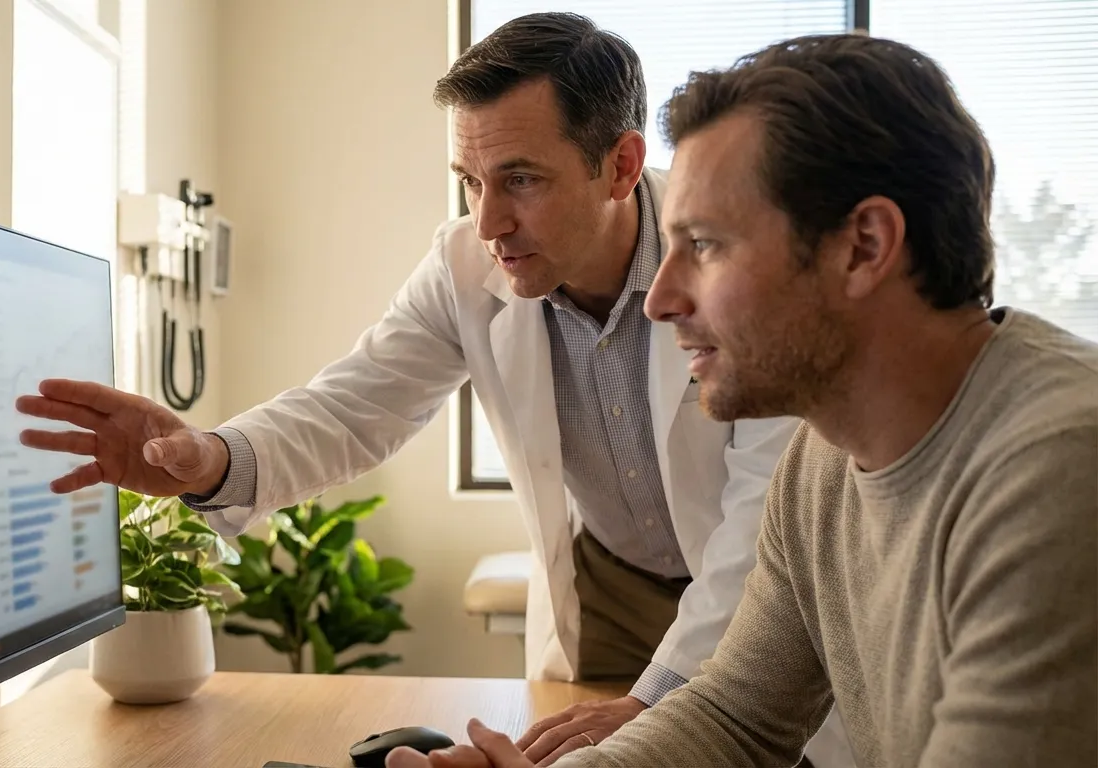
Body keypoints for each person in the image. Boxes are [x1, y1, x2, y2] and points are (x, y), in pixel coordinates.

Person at [15, 13, 850, 767]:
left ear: (620, 165)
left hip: (751, 575)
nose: (488, 223)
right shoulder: (464, 265)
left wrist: (657, 700)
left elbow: (762, 517)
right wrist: (209, 458)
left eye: (521, 179)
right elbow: (355, 405)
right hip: (608, 581)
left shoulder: (732, 258)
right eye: (470, 181)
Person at [380, 32, 1098, 768]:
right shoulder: (820, 462)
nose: (658, 299)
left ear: (864, 246)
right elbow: (733, 717)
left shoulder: (1058, 468)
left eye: (706, 246)